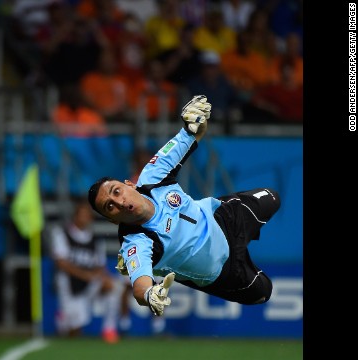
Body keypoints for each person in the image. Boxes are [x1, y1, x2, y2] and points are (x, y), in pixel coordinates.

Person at [86, 95, 281, 317]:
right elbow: (140, 289)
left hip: (223, 218)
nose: (119, 202)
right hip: (221, 272)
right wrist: (149, 294)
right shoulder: (136, 242)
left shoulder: (154, 175)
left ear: (129, 184)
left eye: (117, 191)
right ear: (113, 220)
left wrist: (195, 120)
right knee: (264, 292)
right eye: (110, 207)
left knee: (273, 197)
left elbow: (195, 132)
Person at [48, 199, 124, 343]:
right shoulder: (62, 234)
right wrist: (85, 275)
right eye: (82, 214)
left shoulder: (95, 239)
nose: (85, 218)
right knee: (75, 328)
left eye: (87, 215)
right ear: (75, 216)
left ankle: (109, 329)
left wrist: (103, 277)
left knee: (114, 286)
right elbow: (61, 263)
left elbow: (100, 266)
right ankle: (63, 319)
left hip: (89, 283)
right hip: (69, 284)